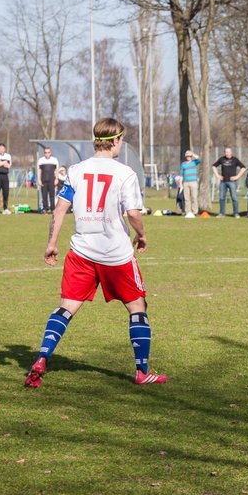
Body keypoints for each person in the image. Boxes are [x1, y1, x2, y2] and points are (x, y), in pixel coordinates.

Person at [22, 118, 166, 388]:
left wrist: (52, 243)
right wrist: (142, 235)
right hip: (116, 253)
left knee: (66, 307)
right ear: (115, 141)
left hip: (81, 252)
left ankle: (42, 357)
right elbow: (133, 213)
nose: (121, 145)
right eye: (121, 140)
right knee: (137, 307)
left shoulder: (76, 170)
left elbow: (60, 209)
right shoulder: (125, 173)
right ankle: (141, 371)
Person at [212, 147, 246, 217]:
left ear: (231, 152)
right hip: (223, 182)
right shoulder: (222, 159)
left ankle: (236, 213)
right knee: (221, 197)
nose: (227, 153)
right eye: (226, 152)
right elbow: (213, 166)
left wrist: (237, 177)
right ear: (225, 153)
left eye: (229, 152)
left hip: (232, 182)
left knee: (234, 198)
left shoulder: (235, 160)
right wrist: (217, 175)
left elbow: (243, 168)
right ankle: (222, 213)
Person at [37, 147, 59, 214]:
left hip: (52, 180)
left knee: (52, 195)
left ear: (50, 153)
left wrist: (56, 179)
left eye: (48, 152)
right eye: (45, 152)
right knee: (44, 195)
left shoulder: (54, 160)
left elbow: (56, 170)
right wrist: (38, 179)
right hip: (43, 180)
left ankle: (53, 209)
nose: (47, 154)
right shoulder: (41, 160)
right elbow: (39, 170)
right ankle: (45, 209)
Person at [179, 149, 201, 218]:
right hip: (186, 183)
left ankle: (195, 212)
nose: (189, 157)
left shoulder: (194, 162)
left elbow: (198, 159)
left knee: (194, 197)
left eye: (190, 156)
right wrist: (180, 184)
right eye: (187, 156)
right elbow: (181, 175)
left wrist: (193, 154)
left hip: (193, 182)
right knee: (187, 198)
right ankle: (187, 212)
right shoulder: (183, 164)